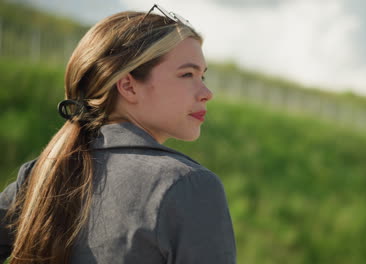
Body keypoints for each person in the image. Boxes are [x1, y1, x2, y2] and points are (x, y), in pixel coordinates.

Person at [0, 4, 236, 264]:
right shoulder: (187, 186)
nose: (206, 92)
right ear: (128, 86)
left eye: (202, 76)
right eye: (187, 74)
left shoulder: (39, 175)